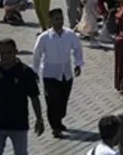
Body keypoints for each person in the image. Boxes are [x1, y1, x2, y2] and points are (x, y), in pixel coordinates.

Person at [31, 8, 84, 138]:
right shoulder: (44, 37)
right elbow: (37, 55)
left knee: (62, 101)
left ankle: (58, 120)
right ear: (50, 20)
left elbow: (77, 48)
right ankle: (55, 127)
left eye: (61, 18)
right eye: (56, 19)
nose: (59, 21)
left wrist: (78, 63)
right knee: (52, 101)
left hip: (66, 73)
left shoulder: (69, 34)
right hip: (50, 74)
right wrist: (34, 71)